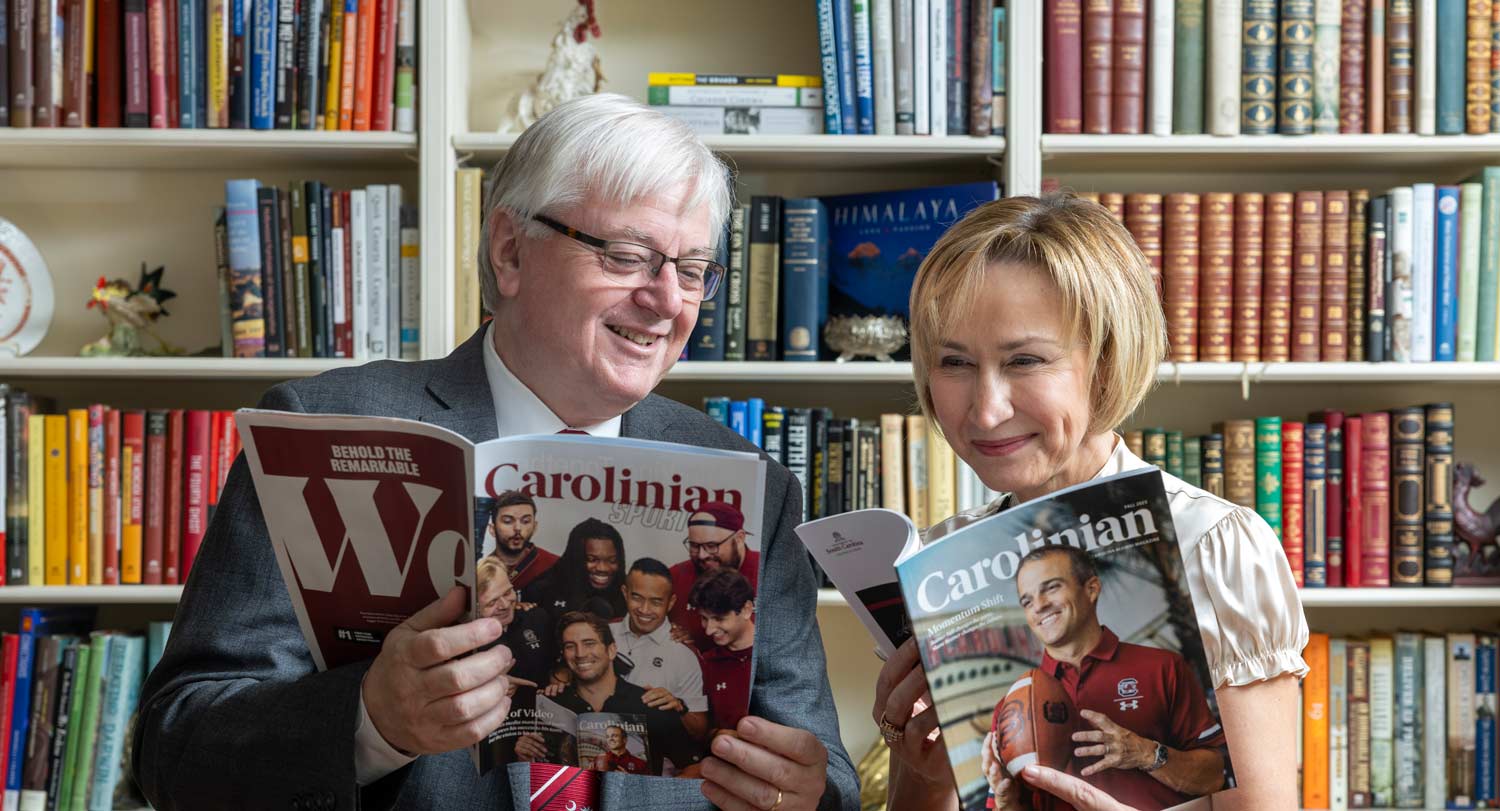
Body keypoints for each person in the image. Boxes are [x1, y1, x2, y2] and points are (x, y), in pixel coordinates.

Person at [134, 92, 854, 811]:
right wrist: (371, 720)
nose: (667, 301)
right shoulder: (321, 428)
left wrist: (803, 794)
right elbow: (175, 750)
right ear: (510, 250)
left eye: (692, 270)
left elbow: (831, 785)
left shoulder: (749, 488)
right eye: (629, 255)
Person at [874, 194, 1308, 811]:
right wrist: (923, 772)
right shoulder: (941, 557)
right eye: (954, 363)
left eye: (1025, 360)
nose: (986, 408)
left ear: (1105, 363)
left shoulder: (1216, 548)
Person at [982, 545, 1228, 811]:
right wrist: (1006, 801)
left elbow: (1214, 777)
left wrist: (1145, 753)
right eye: (1027, 601)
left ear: (1091, 589)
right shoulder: (1011, 707)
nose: (1039, 606)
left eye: (1051, 588)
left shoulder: (1163, 667)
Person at [533, 612, 705, 777]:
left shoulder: (651, 703)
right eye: (570, 646)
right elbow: (539, 773)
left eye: (589, 643)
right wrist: (524, 756)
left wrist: (657, 800)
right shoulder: (551, 705)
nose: (580, 653)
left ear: (611, 650)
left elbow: (695, 768)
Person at [609, 558, 711, 740]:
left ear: (670, 603)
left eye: (656, 602)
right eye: (637, 598)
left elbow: (699, 732)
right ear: (625, 593)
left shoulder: (685, 654)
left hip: (657, 763)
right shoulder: (603, 633)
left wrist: (679, 707)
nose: (645, 610)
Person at [668, 500, 760, 650]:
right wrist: (673, 636)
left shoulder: (768, 574)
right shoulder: (676, 576)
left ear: (739, 538)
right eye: (694, 546)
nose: (702, 555)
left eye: (712, 546)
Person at [690, 568, 756, 735]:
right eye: (704, 618)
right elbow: (700, 731)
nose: (709, 630)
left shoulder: (777, 657)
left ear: (746, 610)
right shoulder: (706, 664)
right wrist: (716, 736)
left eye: (719, 619)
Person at [476, 556, 557, 688]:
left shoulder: (537, 618)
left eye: (508, 592)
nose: (505, 605)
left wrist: (562, 673)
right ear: (475, 606)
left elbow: (561, 661)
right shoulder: (466, 645)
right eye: (492, 602)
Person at [531, 517, 628, 619]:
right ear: (575, 557)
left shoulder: (628, 593)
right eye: (592, 559)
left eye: (612, 561)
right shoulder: (542, 590)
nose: (602, 568)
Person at [485, 490, 557, 591]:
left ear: (534, 527)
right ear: (492, 529)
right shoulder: (481, 572)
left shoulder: (555, 566)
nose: (518, 528)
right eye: (508, 521)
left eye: (525, 521)